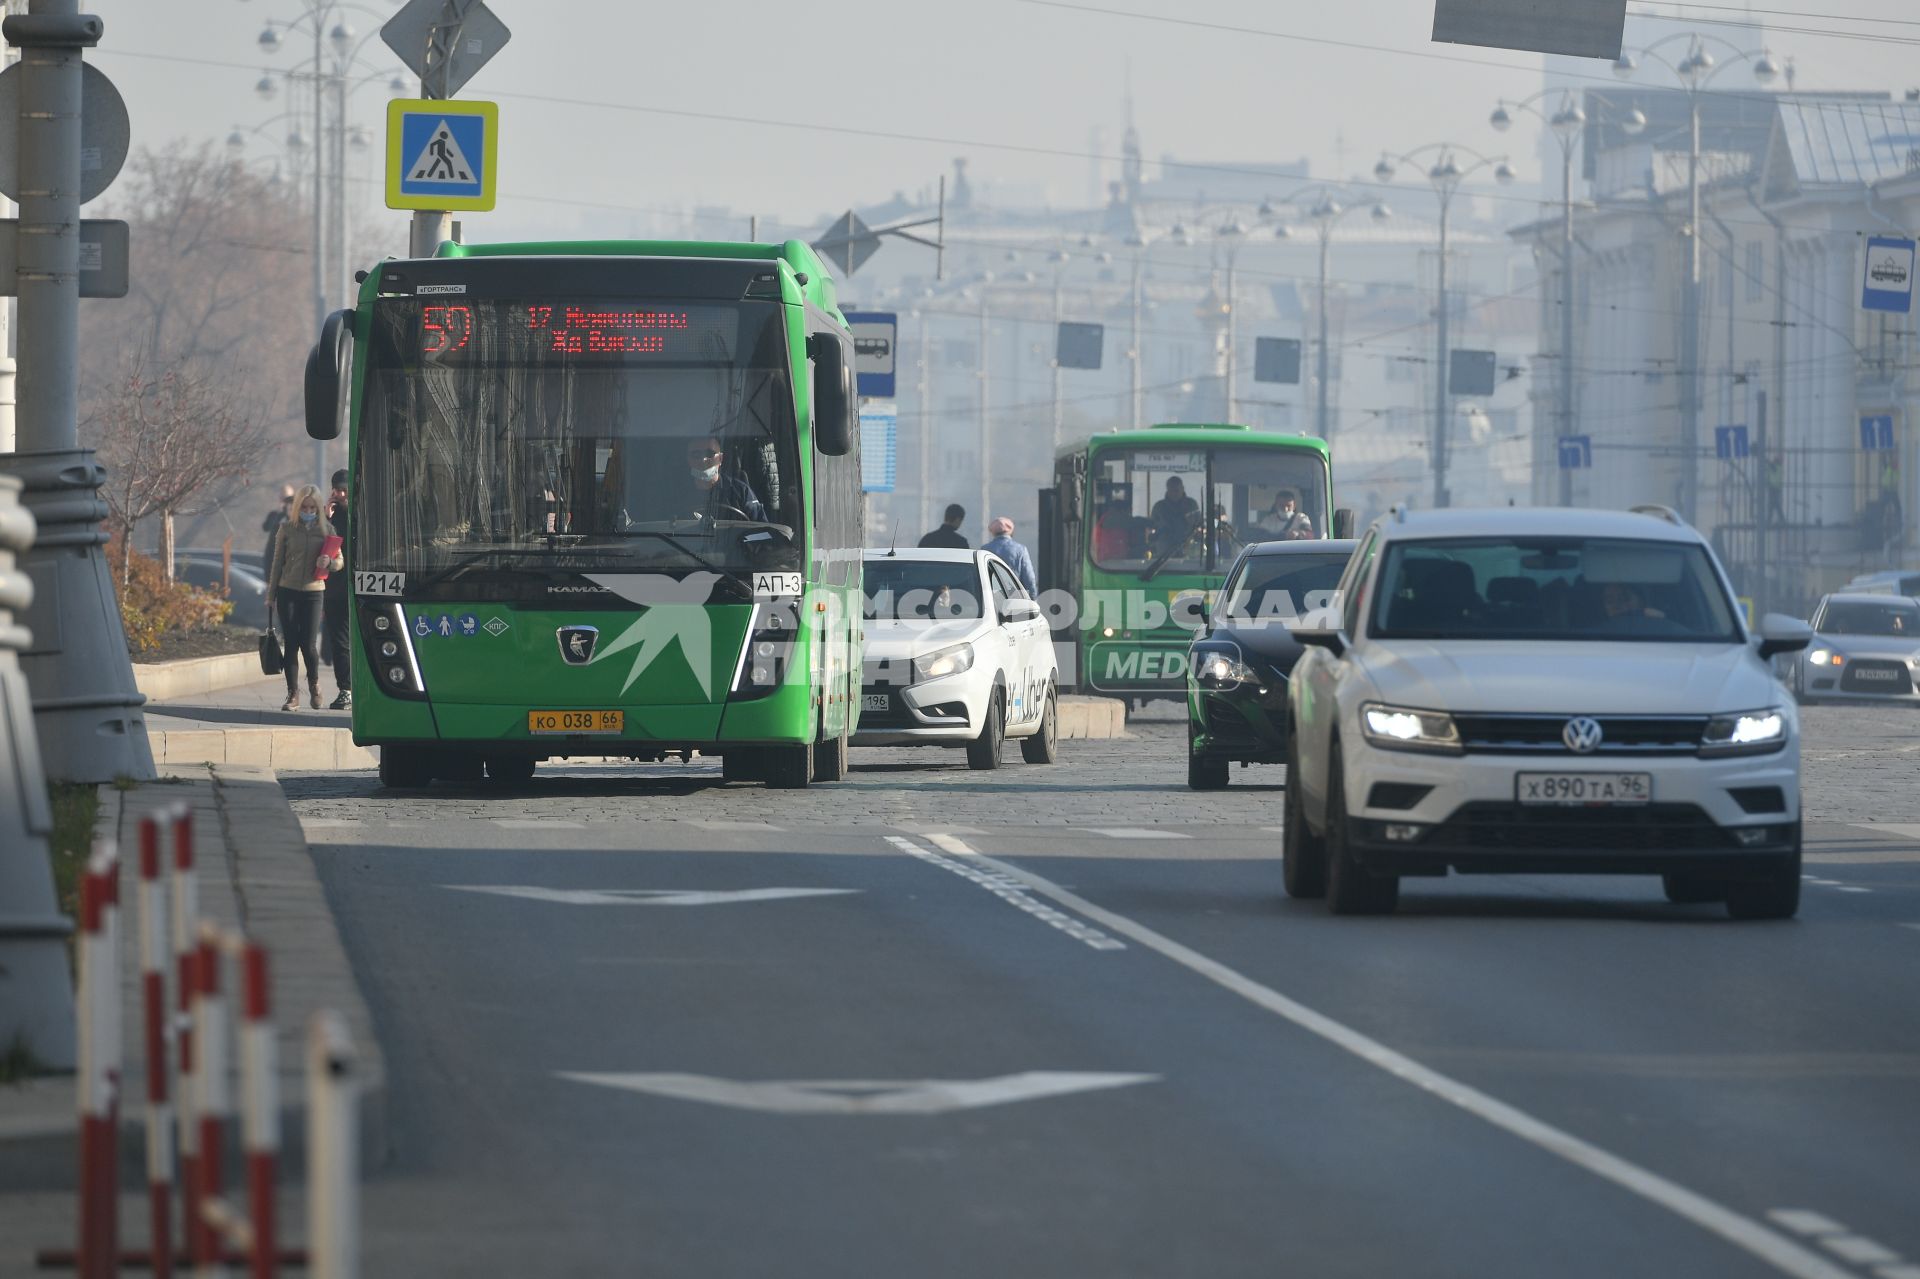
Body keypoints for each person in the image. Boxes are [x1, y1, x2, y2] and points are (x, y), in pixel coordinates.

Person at [266, 484, 343, 713]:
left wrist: (329, 563)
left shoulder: (327, 529)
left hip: (313, 591)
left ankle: (314, 683)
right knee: (291, 643)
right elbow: (277, 563)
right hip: (287, 590)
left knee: (308, 644)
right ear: (297, 506)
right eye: (304, 506)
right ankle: (293, 694)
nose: (308, 510)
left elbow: (340, 561)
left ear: (318, 508)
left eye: (312, 507)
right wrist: (271, 596)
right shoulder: (286, 529)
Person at [670, 436, 764, 522]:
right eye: (696, 454)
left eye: (709, 453)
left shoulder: (742, 492)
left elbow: (762, 530)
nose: (703, 460)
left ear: (720, 459)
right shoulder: (675, 494)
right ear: (688, 460)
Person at [322, 469, 352, 709]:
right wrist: (326, 519)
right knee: (339, 642)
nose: (340, 494)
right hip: (334, 590)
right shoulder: (329, 519)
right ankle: (346, 689)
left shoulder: (361, 513)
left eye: (344, 490)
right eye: (336, 490)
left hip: (358, 588)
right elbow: (318, 548)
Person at [981, 516, 1038, 597]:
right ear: (1011, 531)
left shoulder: (985, 549)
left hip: (991, 597)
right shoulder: (1020, 549)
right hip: (1014, 596)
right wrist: (1032, 597)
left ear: (992, 532)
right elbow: (1029, 578)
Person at [1149, 477, 1200, 555]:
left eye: (1176, 490)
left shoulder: (1191, 505)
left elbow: (1198, 525)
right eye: (1171, 491)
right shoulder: (1159, 507)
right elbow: (1152, 528)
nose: (1174, 493)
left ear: (1182, 489)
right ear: (1167, 490)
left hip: (1187, 548)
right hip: (1164, 552)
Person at [260, 484, 293, 570]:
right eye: (282, 498)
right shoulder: (274, 515)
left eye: (287, 498)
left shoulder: (295, 516)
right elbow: (266, 527)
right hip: (272, 555)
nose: (285, 501)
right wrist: (279, 513)